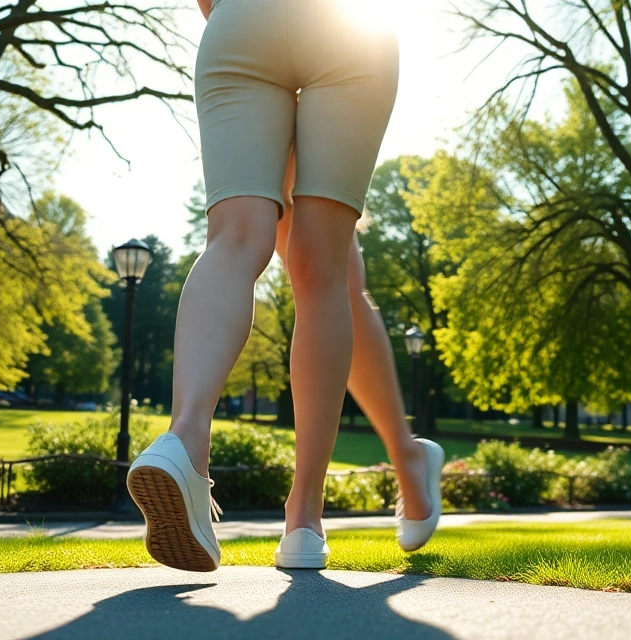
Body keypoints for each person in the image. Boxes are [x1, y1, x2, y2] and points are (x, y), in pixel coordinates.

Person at [126, 0, 442, 573]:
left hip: (241, 21)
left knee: (235, 239)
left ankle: (185, 440)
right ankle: (305, 517)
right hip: (349, 28)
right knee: (324, 267)